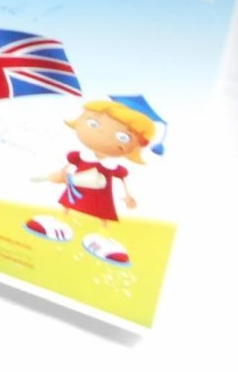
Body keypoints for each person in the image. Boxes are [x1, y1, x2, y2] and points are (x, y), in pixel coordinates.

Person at [26, 98, 159, 263]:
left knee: (102, 214)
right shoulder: (80, 157)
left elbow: (121, 177)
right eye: (93, 124)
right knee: (68, 205)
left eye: (123, 137)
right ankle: (60, 223)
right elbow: (66, 170)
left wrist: (128, 196)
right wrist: (60, 175)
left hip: (100, 195)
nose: (101, 133)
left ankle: (102, 239)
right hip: (77, 189)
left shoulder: (111, 165)